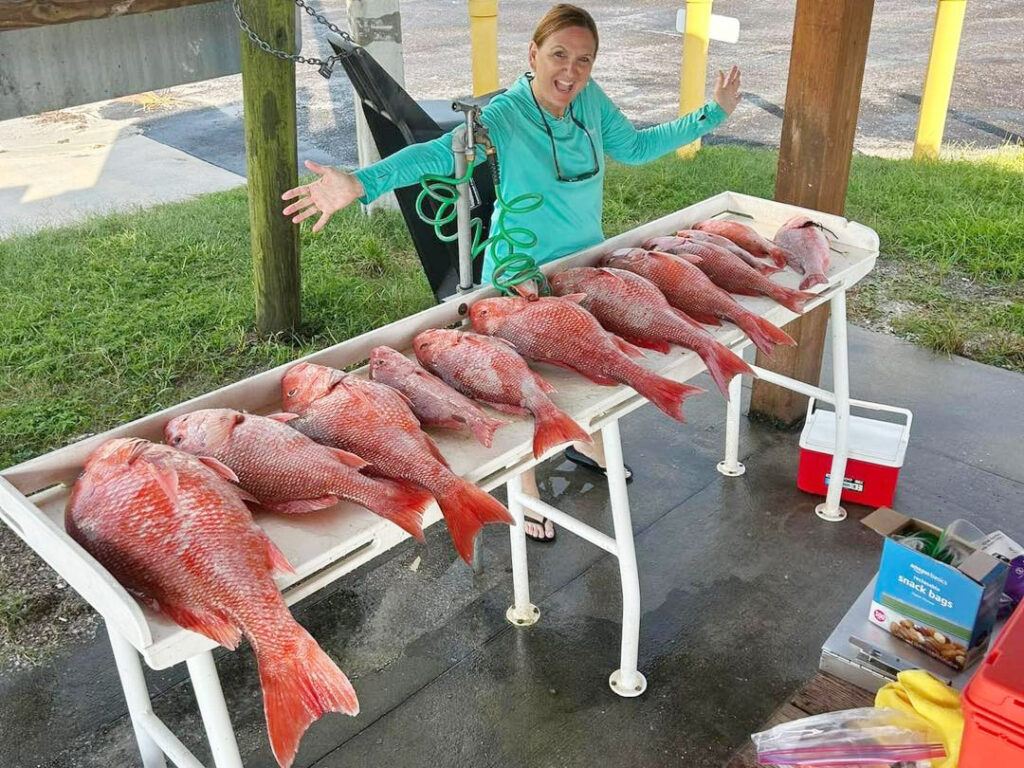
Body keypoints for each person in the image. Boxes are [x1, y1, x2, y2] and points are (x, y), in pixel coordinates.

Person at [282, 4, 742, 543]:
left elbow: (636, 148)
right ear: (533, 54)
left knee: (593, 367)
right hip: (517, 277)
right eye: (559, 56)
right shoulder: (506, 113)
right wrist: (361, 184)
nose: (569, 72)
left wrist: (712, 114)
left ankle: (582, 440)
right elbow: (436, 154)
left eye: (583, 60)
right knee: (522, 391)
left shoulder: (588, 101)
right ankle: (524, 490)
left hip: (582, 269)